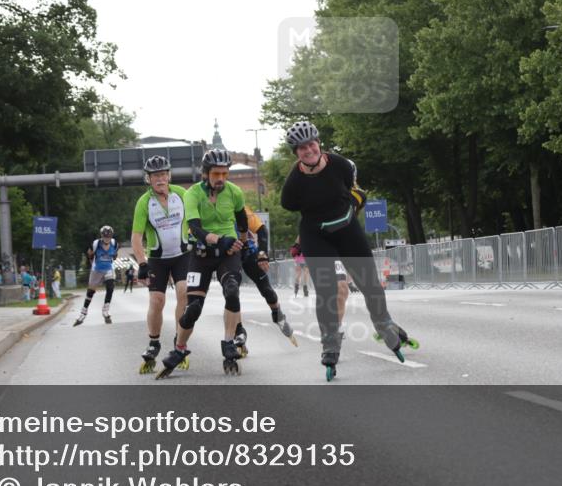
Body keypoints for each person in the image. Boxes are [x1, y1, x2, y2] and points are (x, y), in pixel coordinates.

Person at [280, 121, 418, 381]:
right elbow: (290, 205)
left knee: (371, 285)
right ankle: (330, 344)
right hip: (316, 235)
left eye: (311, 144)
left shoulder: (340, 165)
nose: (308, 150)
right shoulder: (293, 183)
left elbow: (352, 191)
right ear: (296, 152)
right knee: (328, 290)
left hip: (347, 229)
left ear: (318, 143)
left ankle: (384, 323)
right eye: (301, 147)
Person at [156, 149, 248, 378]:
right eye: (216, 174)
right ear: (205, 173)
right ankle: (179, 349)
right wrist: (218, 239)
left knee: (232, 291)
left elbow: (243, 223)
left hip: (228, 252)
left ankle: (228, 342)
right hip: (202, 253)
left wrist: (245, 245)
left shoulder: (235, 192)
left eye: (225, 174)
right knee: (193, 308)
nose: (221, 179)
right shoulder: (192, 194)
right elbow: (195, 228)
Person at [130, 155, 191, 374]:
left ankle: (179, 341)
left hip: (183, 255)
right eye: (155, 175)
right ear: (148, 179)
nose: (160, 179)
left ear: (169, 175)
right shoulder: (144, 203)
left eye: (164, 174)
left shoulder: (183, 194)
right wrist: (142, 263)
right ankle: (154, 343)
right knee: (157, 300)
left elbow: (197, 219)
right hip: (157, 259)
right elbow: (136, 238)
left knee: (184, 291)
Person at [232, 205, 298, 351]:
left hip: (248, 253)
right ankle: (238, 332)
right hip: (229, 256)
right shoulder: (209, 207)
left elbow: (262, 230)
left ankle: (278, 315)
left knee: (267, 290)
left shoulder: (239, 206)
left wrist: (262, 255)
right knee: (232, 294)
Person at [73, 225, 119, 326]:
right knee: (90, 292)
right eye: (105, 237)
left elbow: (115, 255)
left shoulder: (114, 243)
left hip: (108, 268)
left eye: (109, 237)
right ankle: (83, 312)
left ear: (111, 236)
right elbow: (89, 253)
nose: (107, 239)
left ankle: (105, 310)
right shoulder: (95, 243)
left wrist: (113, 257)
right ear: (102, 236)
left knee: (110, 287)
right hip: (97, 269)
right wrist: (92, 262)